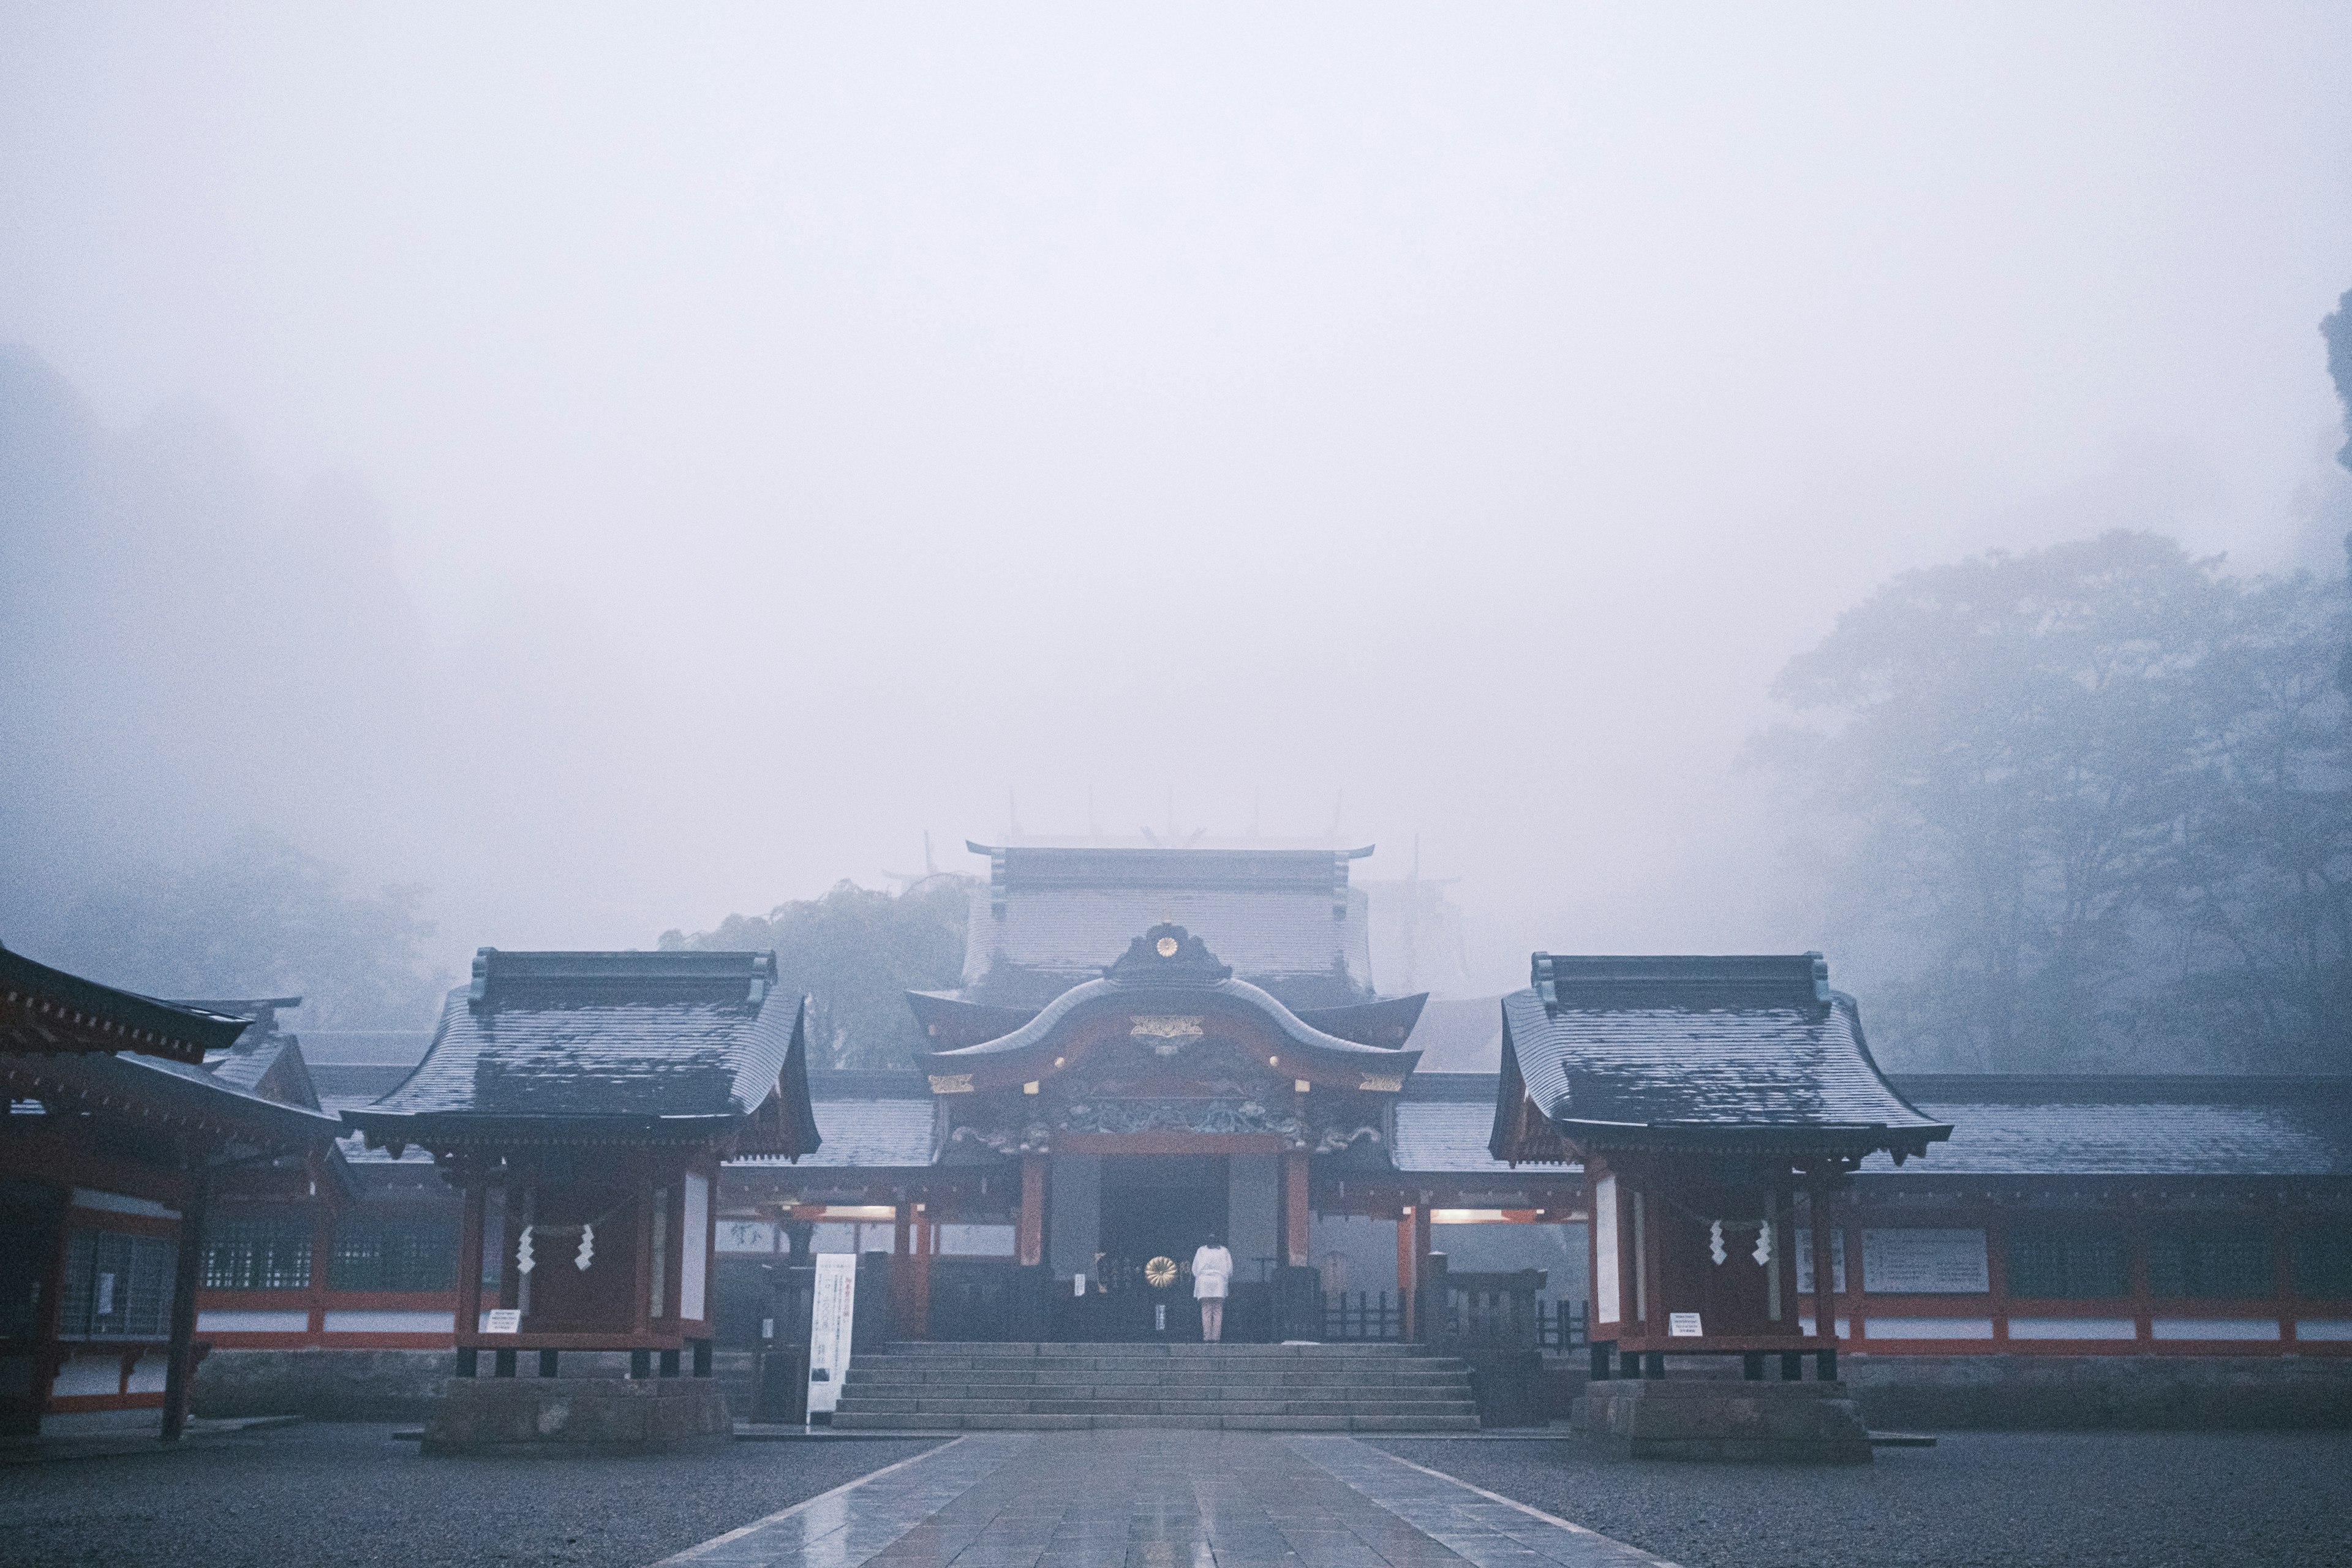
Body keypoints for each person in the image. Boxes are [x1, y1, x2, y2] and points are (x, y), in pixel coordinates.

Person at [1192, 1234, 1233, 1342]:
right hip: (1219, 1283)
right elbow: (1229, 1270)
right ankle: (1216, 1338)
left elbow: (1195, 1269)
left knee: (1206, 1310)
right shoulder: (1224, 1251)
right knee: (1218, 1311)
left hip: (1204, 1283)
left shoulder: (1201, 1251)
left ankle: (1207, 1338)